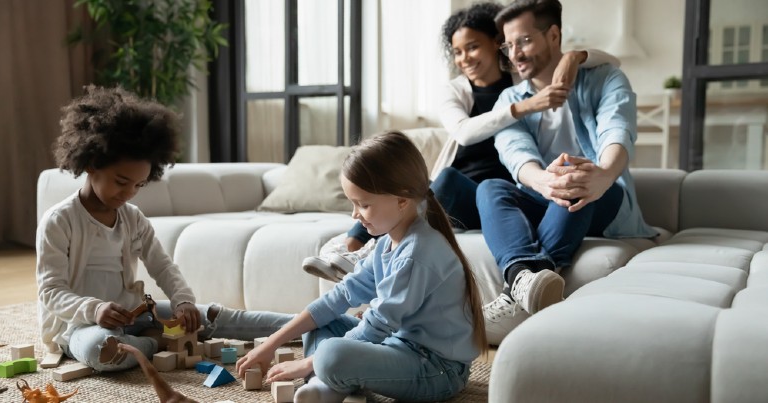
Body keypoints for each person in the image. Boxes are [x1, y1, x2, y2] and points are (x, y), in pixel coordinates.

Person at [302, 1, 619, 284]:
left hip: (505, 198)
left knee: (483, 188)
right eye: (457, 51)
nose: (465, 58)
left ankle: (363, 252)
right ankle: (354, 247)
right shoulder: (457, 91)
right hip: (462, 194)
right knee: (433, 183)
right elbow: (464, 132)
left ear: (496, 43)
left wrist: (575, 56)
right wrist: (525, 107)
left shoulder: (521, 81)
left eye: (473, 47)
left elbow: (609, 61)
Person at [36, 86, 293, 372]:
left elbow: (163, 267)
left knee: (209, 315)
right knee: (103, 350)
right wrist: (94, 309)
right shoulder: (58, 221)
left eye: (138, 185)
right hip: (80, 327)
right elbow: (51, 291)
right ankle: (157, 342)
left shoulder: (133, 218)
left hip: (137, 314)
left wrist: (183, 302)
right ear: (91, 164)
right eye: (121, 182)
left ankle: (303, 324)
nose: (129, 193)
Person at [236, 131, 487, 402]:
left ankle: (324, 380)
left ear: (402, 201)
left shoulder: (418, 253)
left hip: (438, 369)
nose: (355, 214)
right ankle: (325, 385)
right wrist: (270, 344)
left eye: (363, 205)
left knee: (330, 354)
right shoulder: (385, 244)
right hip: (398, 346)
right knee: (320, 325)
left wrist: (307, 363)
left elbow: (377, 325)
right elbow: (339, 296)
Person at [477, 0, 656, 326]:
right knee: (490, 188)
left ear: (553, 35)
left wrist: (604, 173)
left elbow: (618, 130)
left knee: (576, 176)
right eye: (508, 45)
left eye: (524, 41)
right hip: (543, 195)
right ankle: (523, 278)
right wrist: (544, 181)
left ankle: (518, 286)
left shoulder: (605, 78)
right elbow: (515, 152)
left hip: (602, 194)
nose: (515, 54)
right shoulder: (510, 100)